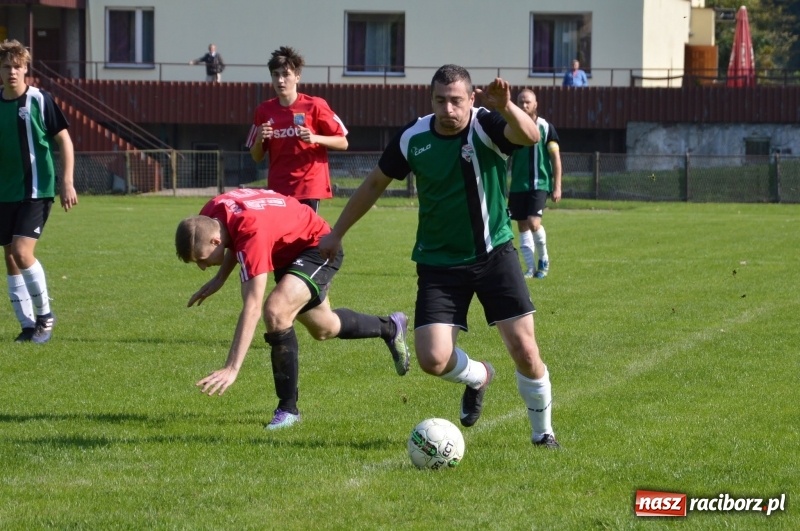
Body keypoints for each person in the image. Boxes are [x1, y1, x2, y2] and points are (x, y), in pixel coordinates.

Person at [318, 65, 559, 449]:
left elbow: (528, 137)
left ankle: (542, 433)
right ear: (431, 99)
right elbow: (374, 183)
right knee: (432, 359)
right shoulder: (413, 136)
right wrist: (337, 232)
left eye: (456, 101)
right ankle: (479, 376)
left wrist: (509, 106)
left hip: (493, 255)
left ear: (472, 99)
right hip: (438, 265)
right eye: (440, 100)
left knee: (526, 352)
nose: (448, 109)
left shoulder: (486, 124)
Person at [175, 188, 411, 430]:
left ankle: (288, 410)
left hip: (317, 246)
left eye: (202, 259)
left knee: (275, 311)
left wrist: (231, 368)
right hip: (287, 249)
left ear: (215, 241)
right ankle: (391, 327)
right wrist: (220, 278)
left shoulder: (251, 232)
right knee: (324, 328)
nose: (203, 267)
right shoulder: (211, 214)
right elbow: (232, 237)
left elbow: (252, 306)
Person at [1, 39, 78, 343]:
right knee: (9, 256)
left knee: (22, 251)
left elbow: (65, 141)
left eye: (17, 66)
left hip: (36, 189)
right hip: (4, 192)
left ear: (26, 69)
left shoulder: (39, 100)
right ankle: (26, 325)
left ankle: (45, 316)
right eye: (6, 66)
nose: (12, 72)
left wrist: (67, 181)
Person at [245, 46, 348, 213]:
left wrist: (316, 138)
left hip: (308, 188)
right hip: (277, 189)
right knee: (280, 238)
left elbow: (343, 142)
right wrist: (258, 140)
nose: (280, 80)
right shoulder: (263, 111)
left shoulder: (315, 105)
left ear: (297, 77)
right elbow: (256, 156)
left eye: (286, 75)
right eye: (275, 75)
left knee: (305, 238)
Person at [508, 89, 562, 279]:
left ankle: (544, 260)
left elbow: (555, 158)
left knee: (533, 222)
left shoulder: (545, 128)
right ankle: (530, 268)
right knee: (522, 225)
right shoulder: (512, 127)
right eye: (521, 102)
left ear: (535, 104)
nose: (524, 105)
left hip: (540, 183)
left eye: (527, 102)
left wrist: (557, 186)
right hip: (518, 185)